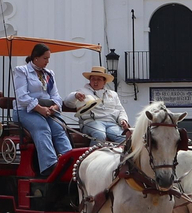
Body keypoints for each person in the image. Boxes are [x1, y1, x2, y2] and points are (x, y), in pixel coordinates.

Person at [12, 44, 70, 175]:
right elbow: (22, 97)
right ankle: (49, 165)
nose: (47, 61)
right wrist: (39, 109)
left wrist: (54, 106)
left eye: (48, 58)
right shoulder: (22, 71)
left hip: (46, 110)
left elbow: (55, 95)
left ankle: (69, 160)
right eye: (45, 58)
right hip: (25, 111)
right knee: (42, 127)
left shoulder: (49, 74)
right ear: (35, 58)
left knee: (59, 128)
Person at [71, 67, 128, 145]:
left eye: (99, 79)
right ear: (90, 80)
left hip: (112, 124)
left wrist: (123, 120)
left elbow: (120, 110)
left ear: (104, 82)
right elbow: (68, 102)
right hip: (91, 122)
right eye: (93, 79)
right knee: (100, 134)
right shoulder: (82, 91)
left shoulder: (113, 94)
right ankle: (93, 156)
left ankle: (117, 157)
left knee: (123, 138)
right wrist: (75, 96)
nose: (95, 82)